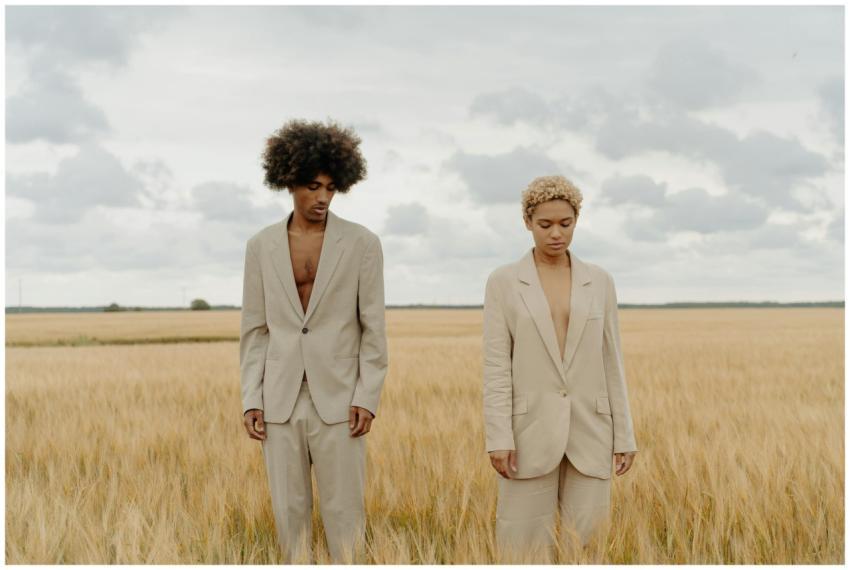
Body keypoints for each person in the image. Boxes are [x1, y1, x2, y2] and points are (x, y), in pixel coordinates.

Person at [239, 118, 388, 563]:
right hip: (279, 399)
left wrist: (368, 395)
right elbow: (254, 329)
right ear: (288, 181)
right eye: (311, 186)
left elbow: (373, 328)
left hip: (341, 400)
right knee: (288, 515)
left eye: (329, 187)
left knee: (345, 514)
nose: (322, 197)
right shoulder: (260, 245)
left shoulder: (362, 243)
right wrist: (252, 398)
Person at [482, 175, 638, 561]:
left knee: (588, 547)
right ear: (527, 222)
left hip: (592, 430)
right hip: (526, 433)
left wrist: (624, 435)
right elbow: (496, 364)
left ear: (576, 221)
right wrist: (498, 435)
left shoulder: (600, 281)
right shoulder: (503, 281)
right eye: (545, 224)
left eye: (565, 224)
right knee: (521, 549)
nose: (556, 233)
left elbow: (611, 358)